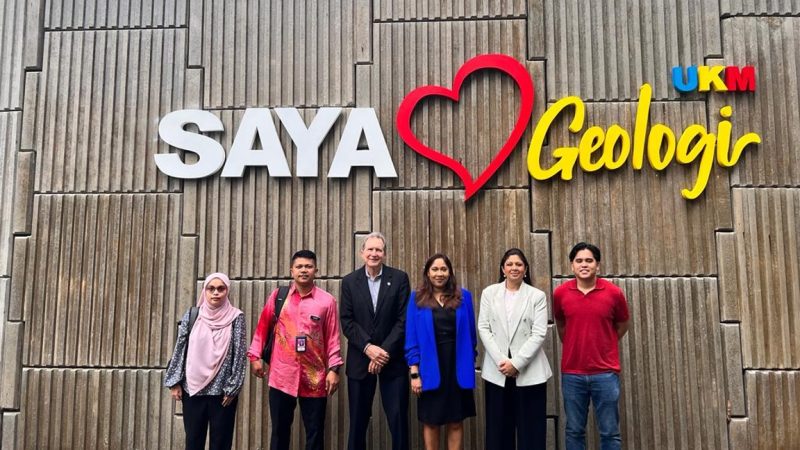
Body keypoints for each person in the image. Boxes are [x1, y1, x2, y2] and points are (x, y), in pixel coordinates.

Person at [247, 250, 343, 450]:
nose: (304, 270)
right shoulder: (278, 297)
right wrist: (254, 356)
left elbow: (333, 338)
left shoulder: (327, 302)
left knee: (315, 433)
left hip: (314, 377)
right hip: (281, 376)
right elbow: (262, 328)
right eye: (299, 267)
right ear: (292, 271)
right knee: (279, 432)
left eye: (308, 266)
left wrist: (334, 370)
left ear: (316, 270)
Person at [553, 242, 630, 450]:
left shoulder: (614, 293)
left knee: (610, 432)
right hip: (572, 373)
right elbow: (561, 324)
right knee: (574, 430)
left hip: (605, 373)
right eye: (579, 261)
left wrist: (605, 343)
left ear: (598, 265)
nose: (584, 265)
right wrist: (574, 343)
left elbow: (623, 324)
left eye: (589, 260)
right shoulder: (560, 294)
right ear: (572, 265)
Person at [340, 232, 411, 450]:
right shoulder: (349, 282)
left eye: (378, 250)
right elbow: (347, 321)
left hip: (393, 360)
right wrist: (369, 348)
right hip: (360, 361)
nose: (374, 253)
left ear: (384, 253)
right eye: (370, 249)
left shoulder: (399, 278)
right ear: (362, 253)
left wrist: (383, 352)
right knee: (357, 423)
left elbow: (403, 320)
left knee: (399, 422)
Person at [478, 248, 552, 449]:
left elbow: (539, 333)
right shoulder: (489, 293)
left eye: (519, 264)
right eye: (509, 264)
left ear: (525, 269)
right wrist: (502, 361)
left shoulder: (537, 296)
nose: (514, 268)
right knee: (499, 430)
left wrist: (517, 363)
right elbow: (483, 327)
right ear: (503, 269)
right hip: (497, 371)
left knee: (531, 431)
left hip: (530, 371)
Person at [164, 272, 247, 450]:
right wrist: (174, 382)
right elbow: (180, 348)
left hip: (222, 393)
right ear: (205, 291)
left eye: (221, 289)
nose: (216, 292)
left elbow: (239, 355)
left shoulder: (236, 317)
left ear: (227, 291)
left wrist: (233, 388)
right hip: (193, 390)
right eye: (211, 288)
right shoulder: (193, 315)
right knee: (193, 442)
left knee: (221, 443)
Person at [405, 253, 477, 450]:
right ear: (428, 273)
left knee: (456, 421)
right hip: (429, 367)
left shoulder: (464, 296)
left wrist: (470, 361)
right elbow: (411, 338)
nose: (439, 274)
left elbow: (471, 334)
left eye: (444, 269)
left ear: (450, 272)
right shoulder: (416, 298)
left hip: (457, 366)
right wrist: (414, 372)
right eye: (435, 269)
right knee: (431, 421)